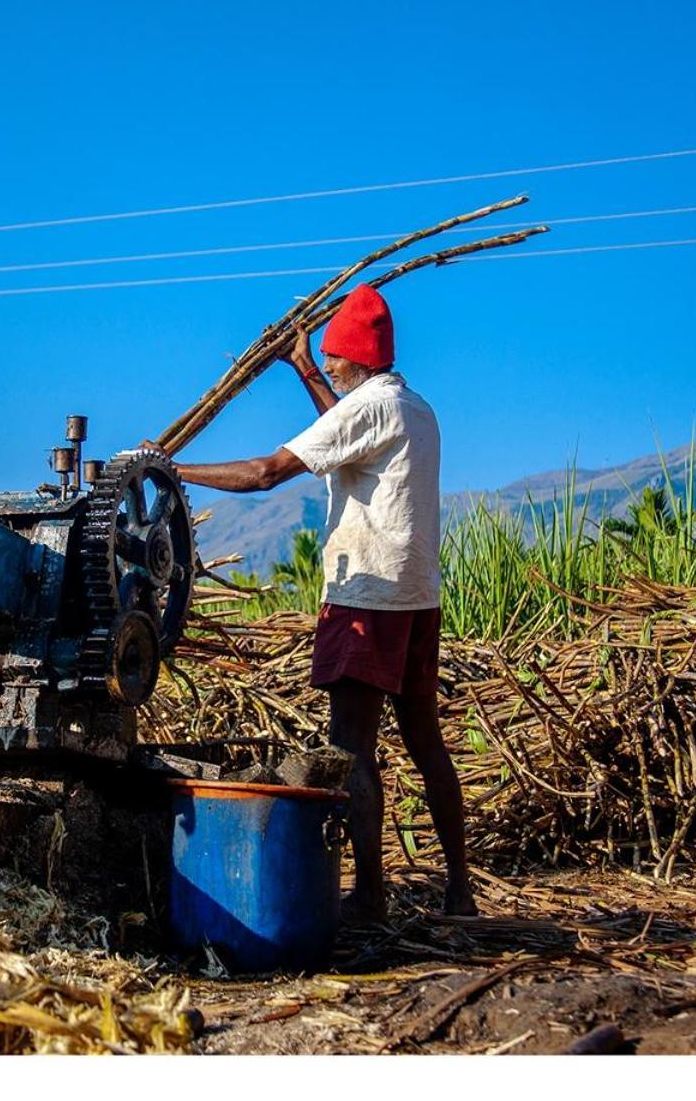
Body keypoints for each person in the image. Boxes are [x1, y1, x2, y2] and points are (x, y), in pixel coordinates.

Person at [163, 285, 475, 922]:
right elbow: (339, 431)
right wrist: (303, 366)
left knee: (351, 746)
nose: (330, 367)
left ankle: (368, 894)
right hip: (416, 598)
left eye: (333, 360)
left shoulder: (368, 411)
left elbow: (266, 472)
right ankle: (460, 890)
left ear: (355, 362)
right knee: (425, 741)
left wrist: (169, 466)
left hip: (366, 596)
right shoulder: (414, 409)